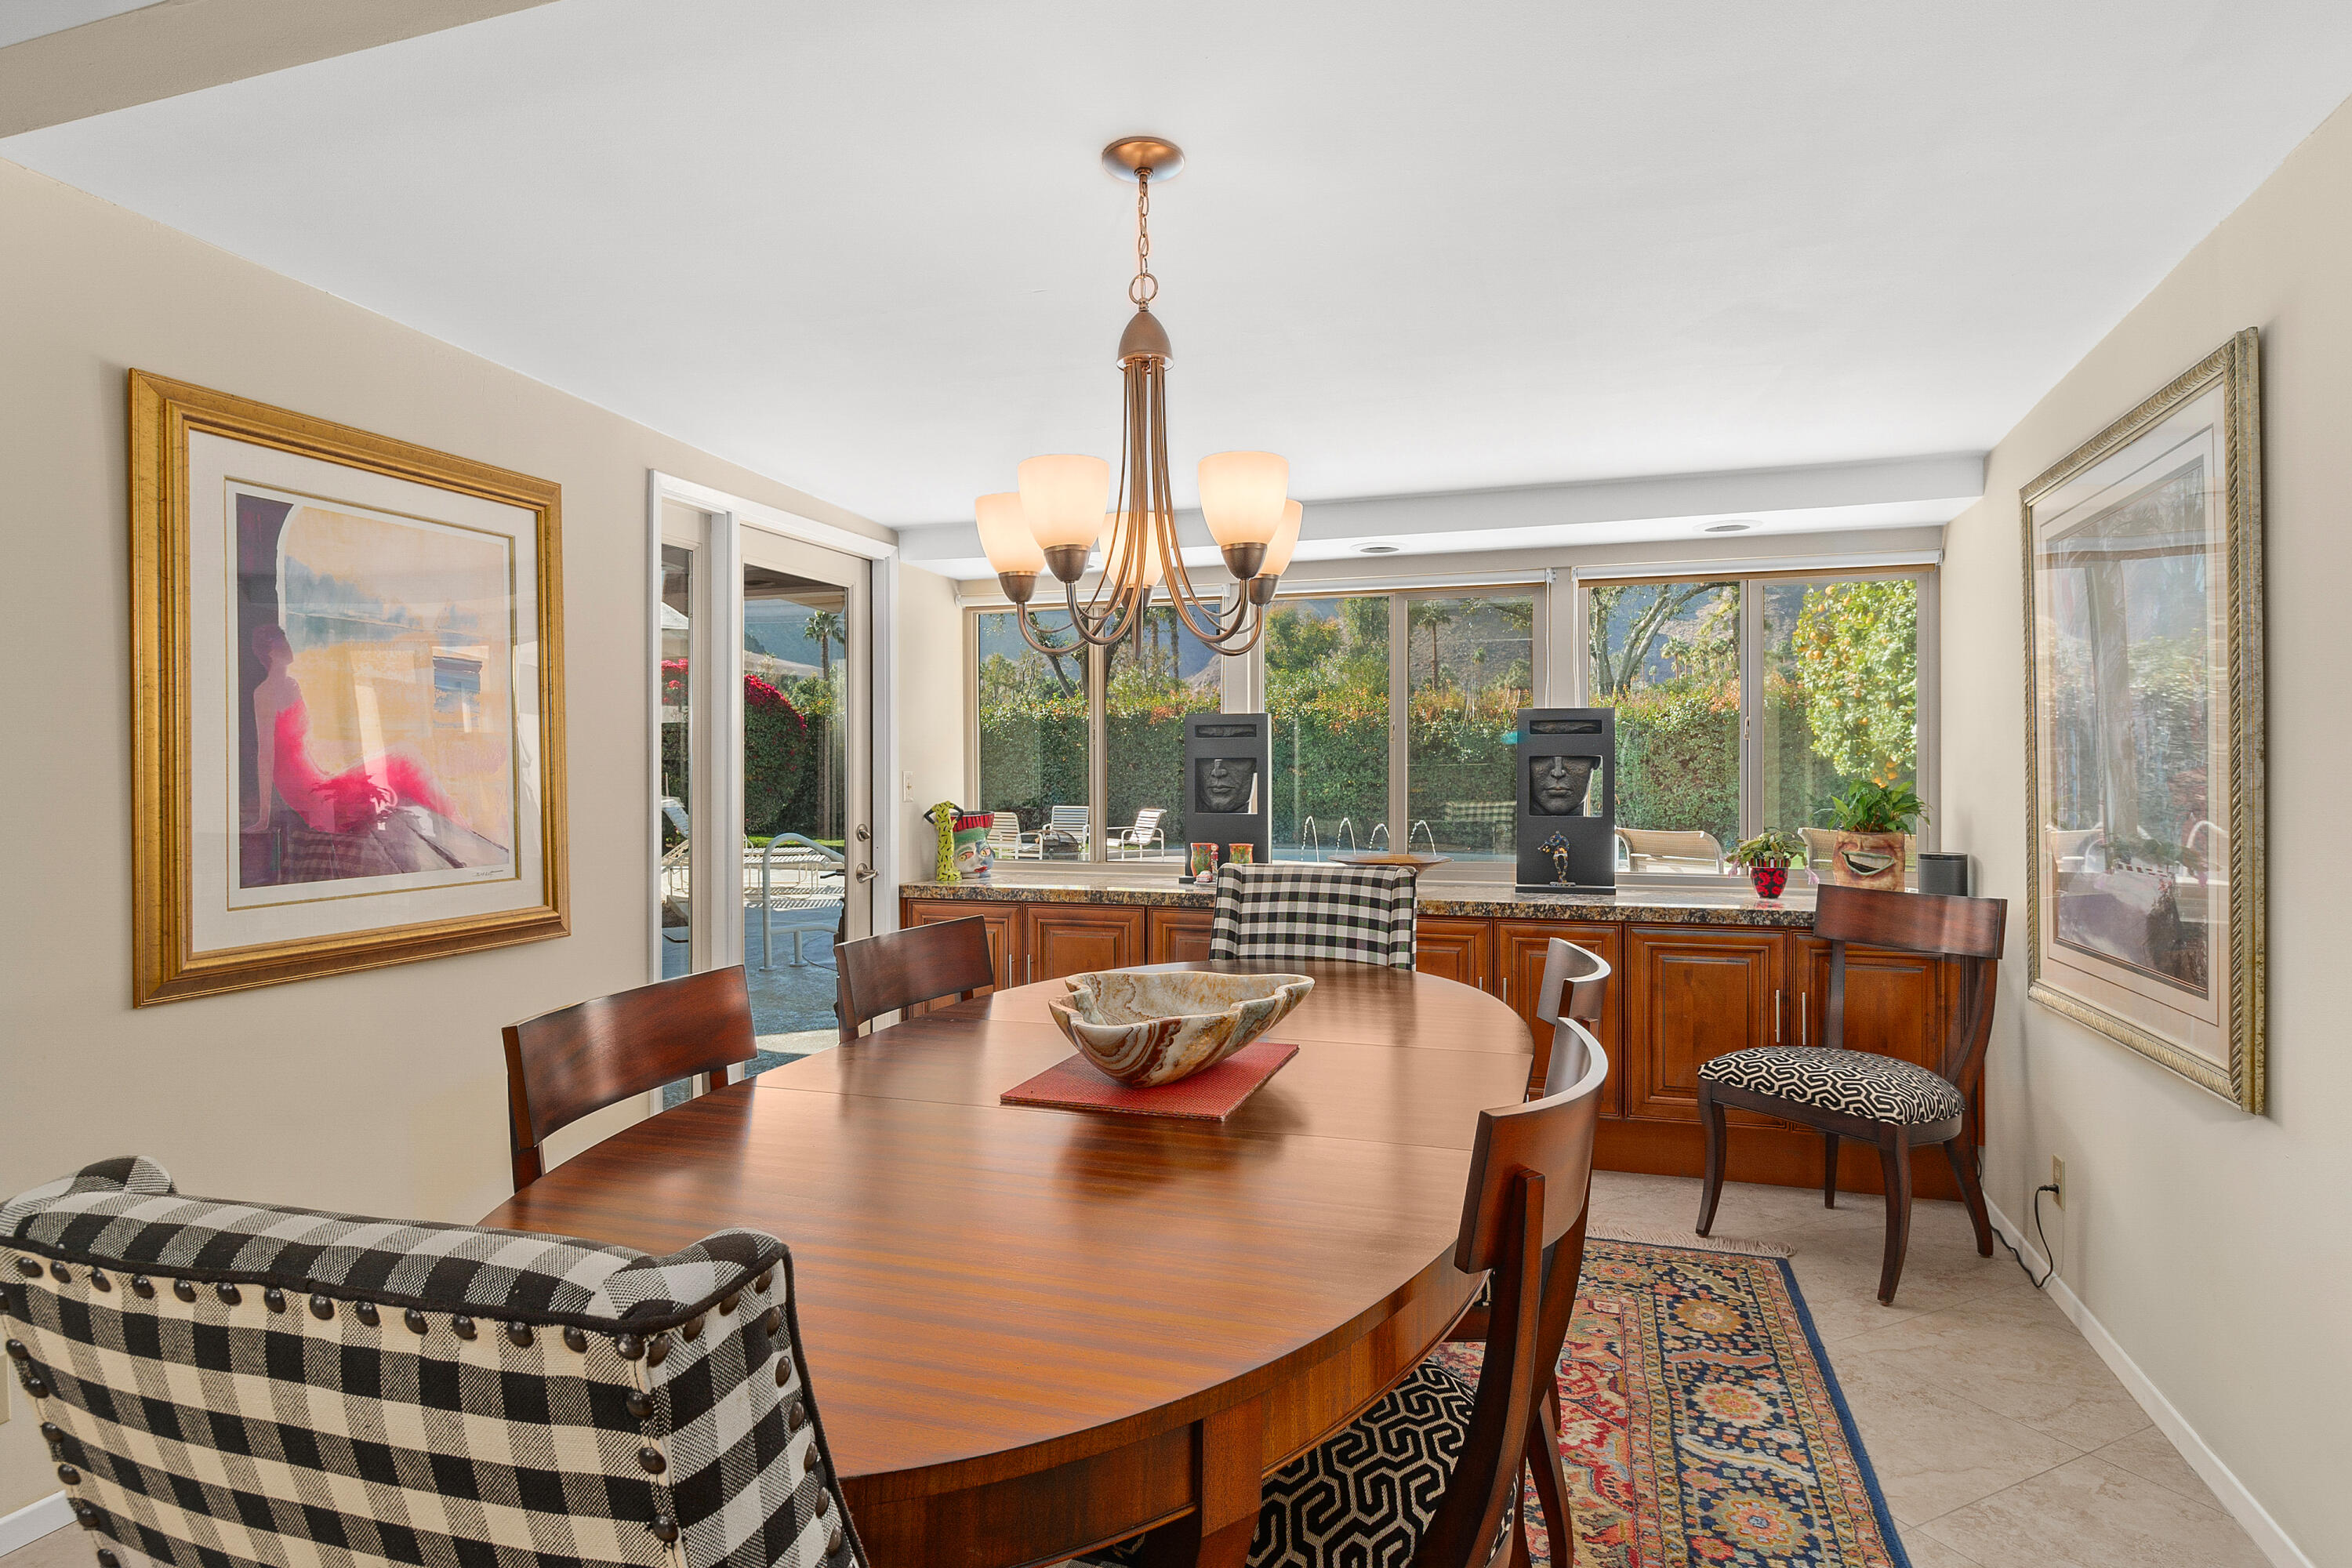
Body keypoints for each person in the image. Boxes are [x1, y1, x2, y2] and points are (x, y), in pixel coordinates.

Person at [245, 622, 459, 834]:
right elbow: (265, 754)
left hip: (317, 780)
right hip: (310, 793)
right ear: (271, 652)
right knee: (404, 759)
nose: (289, 647)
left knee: (403, 756)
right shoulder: (265, 694)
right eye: (283, 644)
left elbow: (301, 744)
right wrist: (264, 817)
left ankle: (453, 824)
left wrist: (327, 771)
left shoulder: (291, 685)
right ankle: (455, 825)